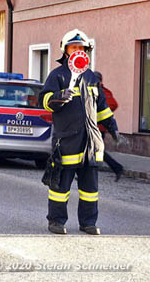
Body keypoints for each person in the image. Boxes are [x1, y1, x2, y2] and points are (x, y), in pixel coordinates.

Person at [40, 29, 122, 236]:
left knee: (90, 190)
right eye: (74, 47)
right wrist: (57, 96)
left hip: (91, 143)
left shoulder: (92, 77)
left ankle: (88, 223)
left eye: (81, 48)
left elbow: (102, 107)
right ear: (66, 50)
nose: (78, 50)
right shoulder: (57, 75)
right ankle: (56, 222)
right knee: (60, 187)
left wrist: (112, 127)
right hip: (67, 140)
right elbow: (44, 101)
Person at [95, 71, 125, 181]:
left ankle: (117, 168)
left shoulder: (103, 92)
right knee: (96, 151)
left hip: (99, 128)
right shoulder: (95, 90)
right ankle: (87, 173)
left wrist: (103, 112)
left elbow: (114, 104)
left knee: (97, 151)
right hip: (95, 128)